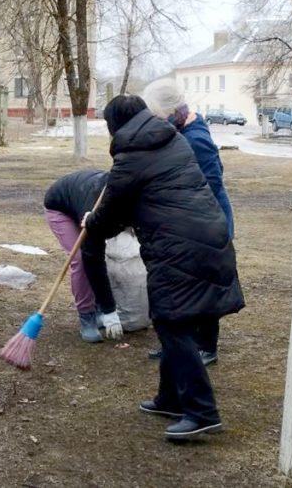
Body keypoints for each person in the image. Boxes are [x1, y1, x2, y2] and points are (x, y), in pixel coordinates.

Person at [84, 95, 244, 441]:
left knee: (172, 322)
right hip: (208, 234)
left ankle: (202, 412)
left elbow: (112, 211)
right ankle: (171, 398)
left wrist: (91, 222)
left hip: (179, 247)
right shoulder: (172, 141)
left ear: (116, 125)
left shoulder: (132, 156)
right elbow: (144, 199)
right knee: (175, 319)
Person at [144, 82, 235, 365]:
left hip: (209, 221)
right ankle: (180, 343)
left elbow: (211, 182)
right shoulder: (182, 129)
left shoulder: (196, 139)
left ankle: (206, 346)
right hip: (190, 219)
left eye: (158, 115)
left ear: (171, 111)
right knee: (183, 284)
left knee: (204, 284)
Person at [43, 170, 123, 343]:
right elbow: (92, 255)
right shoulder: (96, 201)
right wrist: (110, 310)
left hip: (80, 204)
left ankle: (99, 308)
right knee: (80, 258)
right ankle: (86, 316)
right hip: (60, 208)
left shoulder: (124, 192)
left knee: (98, 255)